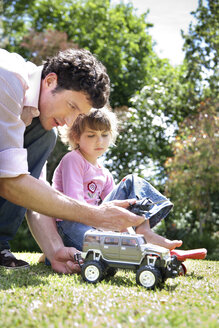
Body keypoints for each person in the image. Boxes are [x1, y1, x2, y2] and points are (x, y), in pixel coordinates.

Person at [0, 48, 144, 272]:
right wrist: (97, 215)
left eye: (78, 115)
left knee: (46, 136)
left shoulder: (43, 129)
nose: (69, 122)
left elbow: (35, 194)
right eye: (72, 106)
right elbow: (10, 183)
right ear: (50, 81)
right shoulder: (7, 78)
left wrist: (55, 250)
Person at [38, 107, 182, 264]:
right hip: (70, 223)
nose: (99, 141)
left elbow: (117, 211)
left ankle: (144, 230)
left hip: (93, 222)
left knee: (131, 183)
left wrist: (131, 236)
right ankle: (56, 252)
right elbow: (75, 205)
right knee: (103, 252)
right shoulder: (73, 159)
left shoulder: (104, 173)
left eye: (105, 135)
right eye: (91, 135)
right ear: (76, 137)